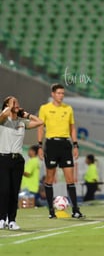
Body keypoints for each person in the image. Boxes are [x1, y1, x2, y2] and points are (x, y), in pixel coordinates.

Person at [37, 83, 84, 219]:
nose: (61, 96)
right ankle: (51, 211)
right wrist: (40, 146)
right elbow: (40, 128)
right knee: (50, 178)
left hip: (65, 145)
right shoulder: (44, 108)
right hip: (51, 144)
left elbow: (72, 128)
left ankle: (76, 210)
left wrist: (75, 145)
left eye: (63, 93)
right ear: (52, 94)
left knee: (70, 178)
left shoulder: (68, 109)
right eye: (58, 93)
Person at [0, 96, 43, 230]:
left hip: (17, 160)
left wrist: (26, 114)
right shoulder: (3, 120)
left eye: (17, 102)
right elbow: (4, 115)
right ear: (7, 105)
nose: (17, 104)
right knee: (4, 190)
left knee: (14, 191)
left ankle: (12, 220)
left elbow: (40, 122)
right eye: (14, 102)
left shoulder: (21, 122)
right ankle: (2, 218)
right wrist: (10, 106)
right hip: (3, 158)